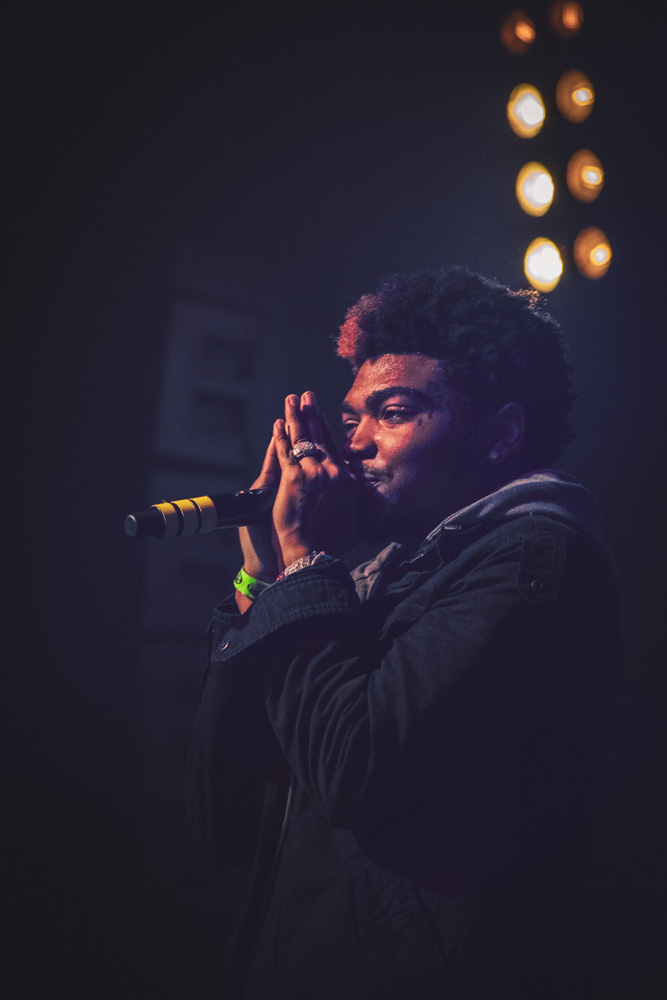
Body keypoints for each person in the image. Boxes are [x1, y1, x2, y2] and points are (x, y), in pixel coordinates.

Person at [186, 266, 622, 999]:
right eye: (351, 417)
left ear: (500, 435)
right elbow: (221, 818)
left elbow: (356, 770)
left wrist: (306, 565)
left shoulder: (534, 560)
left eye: (391, 413)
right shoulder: (369, 582)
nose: (353, 443)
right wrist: (260, 582)